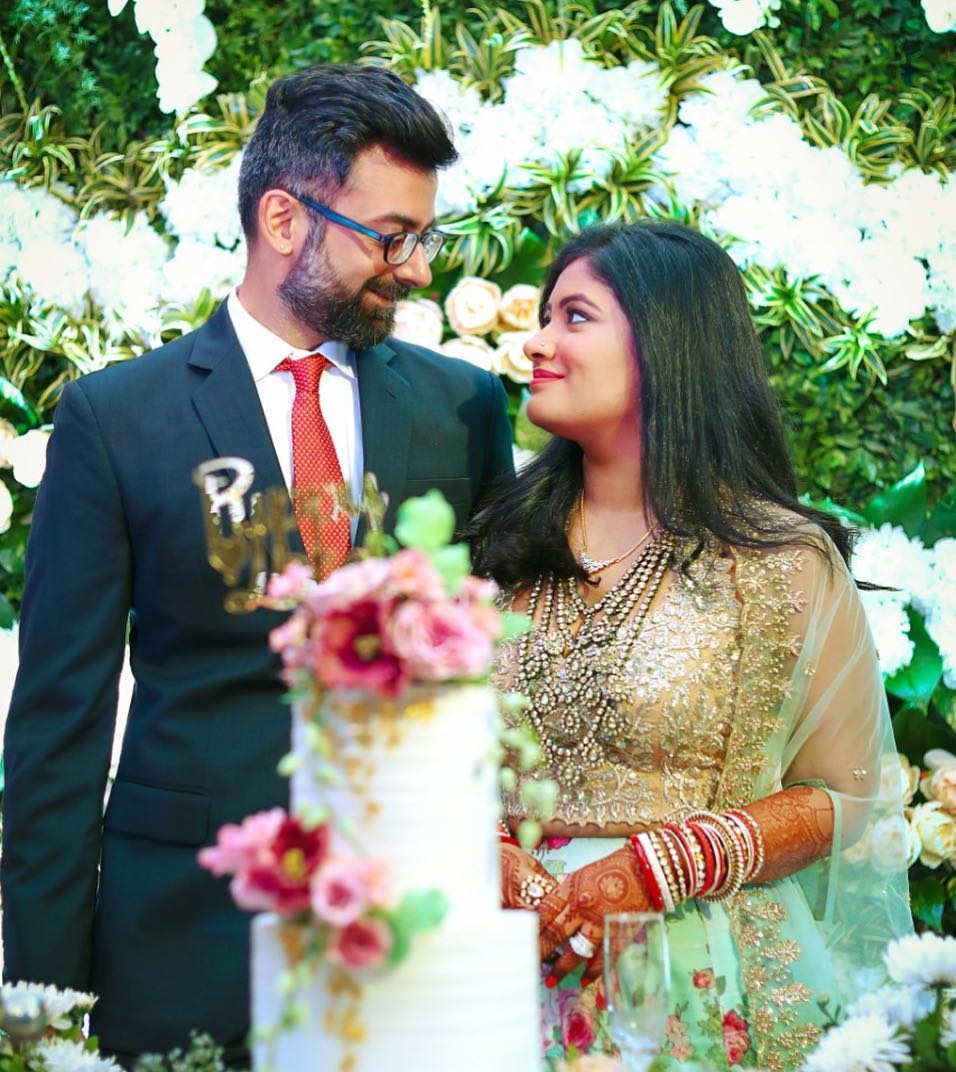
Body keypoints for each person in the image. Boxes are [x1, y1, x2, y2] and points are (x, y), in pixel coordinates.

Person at [1, 63, 513, 1066]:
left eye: (424, 237)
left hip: (410, 946)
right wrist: (44, 1009)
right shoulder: (118, 418)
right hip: (184, 936)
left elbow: (498, 674)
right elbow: (60, 725)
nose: (416, 270)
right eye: (391, 237)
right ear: (284, 220)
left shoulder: (462, 406)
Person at [472, 221, 913, 1070]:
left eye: (574, 317)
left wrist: (658, 866)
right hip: (505, 965)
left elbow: (841, 795)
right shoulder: (500, 554)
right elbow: (440, 760)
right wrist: (490, 856)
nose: (536, 343)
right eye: (544, 318)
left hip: (698, 965)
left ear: (665, 343)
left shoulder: (780, 561)